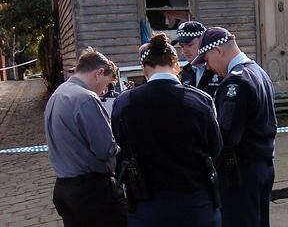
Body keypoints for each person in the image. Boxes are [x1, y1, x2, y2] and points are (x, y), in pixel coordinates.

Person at [111, 33, 223, 227]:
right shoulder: (201, 100)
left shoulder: (125, 102)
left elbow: (120, 141)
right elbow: (215, 146)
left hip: (147, 204)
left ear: (144, 69)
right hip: (194, 202)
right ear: (177, 67)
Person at [192, 27, 277, 227]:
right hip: (262, 165)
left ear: (218, 51)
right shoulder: (258, 71)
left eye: (206, 60)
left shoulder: (235, 82)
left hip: (240, 171)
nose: (209, 67)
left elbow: (225, 136)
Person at [44, 47, 127, 227]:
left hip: (65, 188)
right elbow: (105, 149)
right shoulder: (86, 98)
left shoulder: (58, 93)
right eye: (106, 85)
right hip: (92, 191)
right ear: (98, 73)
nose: (104, 92)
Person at [171, 20, 221, 97]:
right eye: (182, 46)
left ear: (204, 41)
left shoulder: (220, 69)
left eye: (189, 45)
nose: (184, 51)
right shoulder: (185, 72)